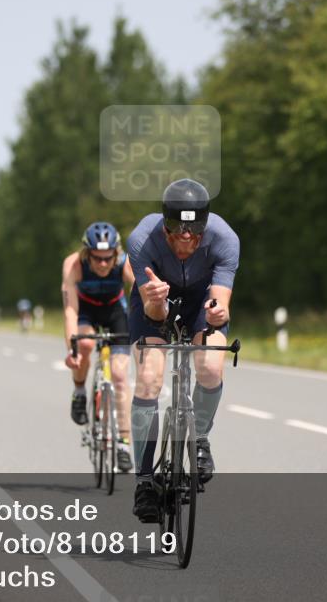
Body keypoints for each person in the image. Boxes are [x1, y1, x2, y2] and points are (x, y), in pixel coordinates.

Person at [125, 179, 239, 522]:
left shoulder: (226, 239)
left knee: (210, 367)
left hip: (201, 301)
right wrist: (156, 300)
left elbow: (221, 305)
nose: (186, 237)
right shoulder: (141, 239)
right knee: (148, 378)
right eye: (177, 229)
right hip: (155, 299)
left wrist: (219, 313)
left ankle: (200, 439)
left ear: (205, 226)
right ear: (164, 224)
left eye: (194, 229)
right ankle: (145, 481)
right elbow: (153, 316)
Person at [61, 221, 136, 472]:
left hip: (116, 311)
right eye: (97, 259)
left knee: (119, 376)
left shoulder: (124, 262)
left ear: (116, 253)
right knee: (83, 344)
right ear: (86, 254)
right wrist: (71, 350)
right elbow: (70, 310)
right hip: (87, 312)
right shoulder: (73, 265)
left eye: (108, 258)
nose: (103, 264)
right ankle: (80, 391)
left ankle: (124, 443)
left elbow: (138, 293)